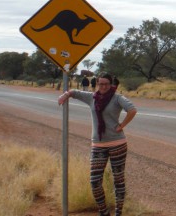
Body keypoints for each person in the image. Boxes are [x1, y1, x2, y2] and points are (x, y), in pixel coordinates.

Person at [58, 73, 137, 216]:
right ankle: (104, 212)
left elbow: (132, 110)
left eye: (106, 84)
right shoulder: (92, 98)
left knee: (118, 180)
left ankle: (118, 212)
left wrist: (122, 125)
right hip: (98, 145)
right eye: (101, 84)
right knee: (94, 181)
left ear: (111, 84)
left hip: (117, 144)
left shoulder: (117, 98)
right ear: (97, 84)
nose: (103, 86)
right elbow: (75, 92)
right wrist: (65, 95)